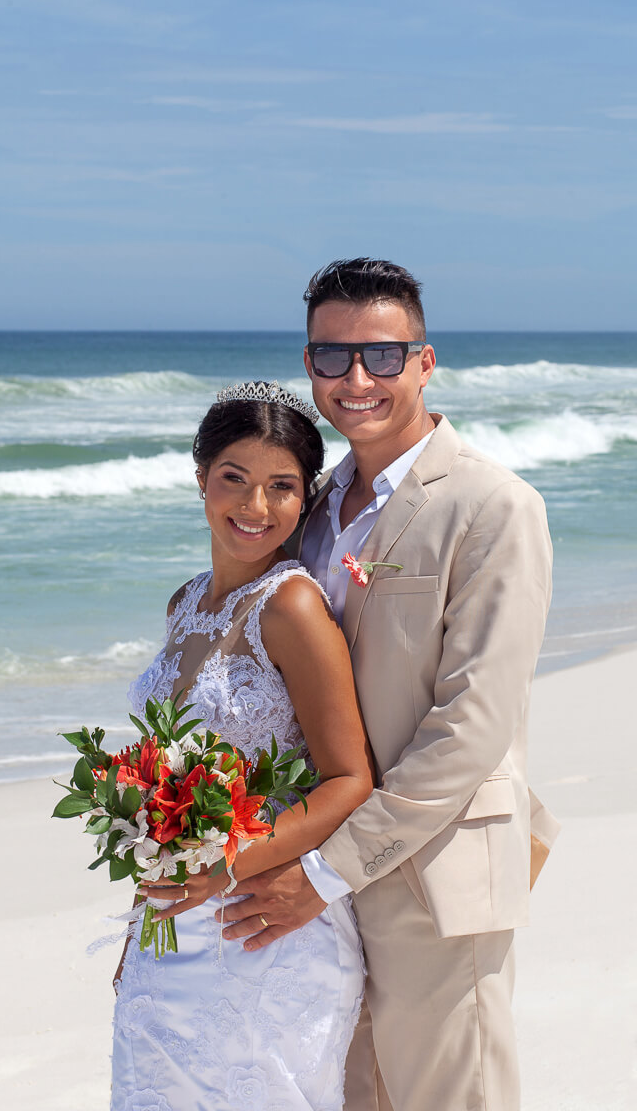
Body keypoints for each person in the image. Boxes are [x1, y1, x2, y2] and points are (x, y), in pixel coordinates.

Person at [219, 260, 559, 1111]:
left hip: (434, 879)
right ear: (309, 366)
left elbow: (472, 725)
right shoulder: (308, 505)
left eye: (380, 355)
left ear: (424, 361)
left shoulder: (493, 506)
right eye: (332, 358)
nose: (356, 380)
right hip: (321, 894)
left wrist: (328, 869)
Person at [110, 381, 375, 1111]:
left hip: (265, 921)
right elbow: (168, 779)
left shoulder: (290, 605)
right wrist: (145, 917)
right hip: (175, 928)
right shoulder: (186, 601)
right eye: (235, 479)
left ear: (304, 499)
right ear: (201, 479)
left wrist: (224, 868)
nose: (255, 508)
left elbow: (349, 779)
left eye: (282, 487)